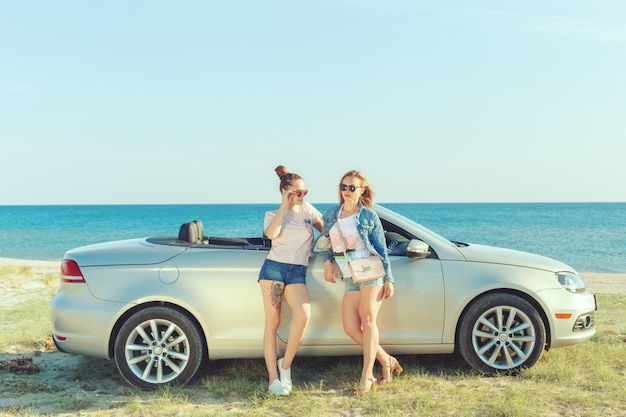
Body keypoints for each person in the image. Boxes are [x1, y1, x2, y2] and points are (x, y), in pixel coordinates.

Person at [315, 170, 401, 395]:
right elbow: (326, 242)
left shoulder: (368, 216)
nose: (347, 191)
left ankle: (367, 376)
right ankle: (386, 360)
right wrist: (326, 262)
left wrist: (389, 279)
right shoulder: (331, 214)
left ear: (362, 190)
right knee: (350, 326)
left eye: (352, 187)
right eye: (344, 186)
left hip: (371, 273)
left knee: (368, 320)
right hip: (349, 275)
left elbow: (381, 249)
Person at [258, 165, 324, 395]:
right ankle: (273, 380)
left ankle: (284, 366)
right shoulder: (273, 214)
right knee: (273, 323)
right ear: (286, 192)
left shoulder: (308, 210)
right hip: (274, 269)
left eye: (305, 192)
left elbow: (327, 232)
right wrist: (285, 206)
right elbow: (272, 234)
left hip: (297, 271)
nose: (302, 196)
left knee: (304, 315)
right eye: (298, 192)